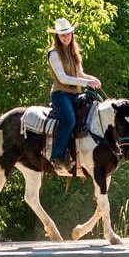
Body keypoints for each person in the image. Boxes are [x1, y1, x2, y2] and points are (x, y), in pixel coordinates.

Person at [46, 18, 101, 170]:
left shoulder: (73, 52)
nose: (66, 37)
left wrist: (92, 78)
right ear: (57, 36)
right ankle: (57, 156)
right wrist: (87, 83)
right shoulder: (54, 54)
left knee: (90, 116)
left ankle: (79, 154)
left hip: (75, 94)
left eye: (68, 34)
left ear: (72, 34)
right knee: (69, 120)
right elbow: (62, 78)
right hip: (60, 95)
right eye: (62, 35)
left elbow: (80, 73)